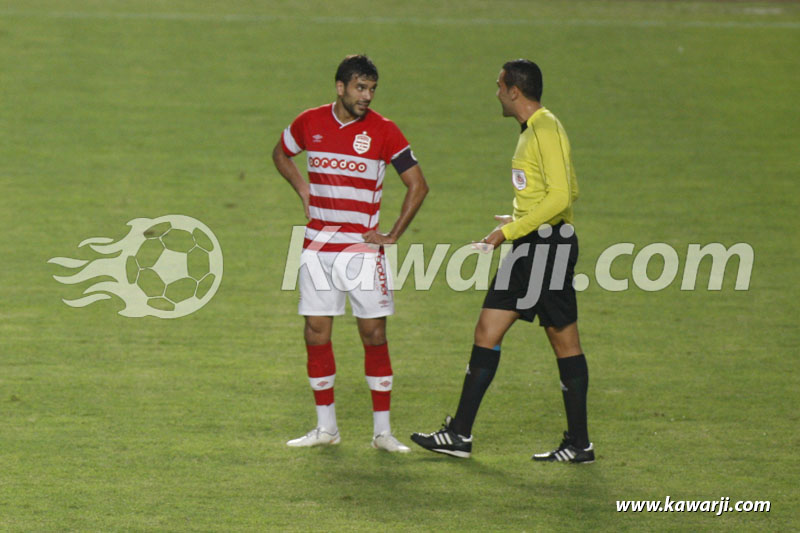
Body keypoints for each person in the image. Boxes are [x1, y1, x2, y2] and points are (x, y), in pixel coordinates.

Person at [411, 59, 594, 463]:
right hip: (530, 242)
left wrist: (509, 231)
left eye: (499, 86)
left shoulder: (545, 129)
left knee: (564, 342)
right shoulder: (535, 130)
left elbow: (563, 197)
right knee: (486, 330)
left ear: (515, 90)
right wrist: (521, 218)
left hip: (547, 247)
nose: (495, 92)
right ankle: (459, 435)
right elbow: (566, 189)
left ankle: (580, 444)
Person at [273, 55, 428, 452]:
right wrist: (303, 189)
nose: (367, 96)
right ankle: (326, 428)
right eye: (361, 88)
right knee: (315, 333)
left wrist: (393, 234)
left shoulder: (385, 131)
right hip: (318, 248)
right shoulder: (309, 122)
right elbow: (281, 153)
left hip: (362, 251)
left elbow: (418, 185)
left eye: (372, 89)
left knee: (374, 335)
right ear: (340, 87)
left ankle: (383, 433)